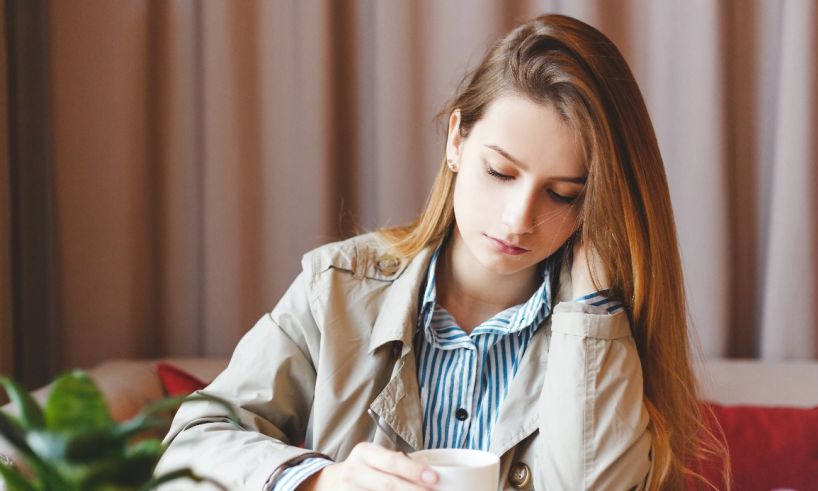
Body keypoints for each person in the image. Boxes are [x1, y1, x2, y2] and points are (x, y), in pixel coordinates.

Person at [156, 13, 728, 491]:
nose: (518, 219)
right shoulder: (336, 289)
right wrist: (318, 482)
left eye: (562, 194)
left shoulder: (605, 330)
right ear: (457, 140)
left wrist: (591, 311)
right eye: (500, 172)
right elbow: (189, 446)